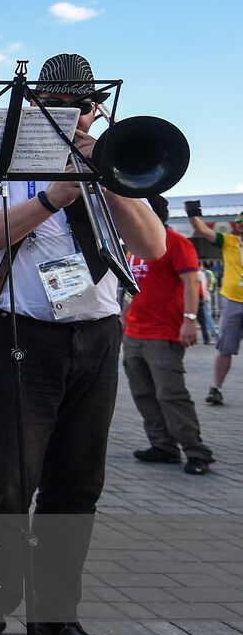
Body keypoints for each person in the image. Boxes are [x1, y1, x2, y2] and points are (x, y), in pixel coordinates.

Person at [0, 53, 165, 635]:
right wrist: (50, 196)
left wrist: (105, 177)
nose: (80, 116)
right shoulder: (3, 157)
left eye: (87, 106)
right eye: (65, 106)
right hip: (26, 336)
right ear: (39, 107)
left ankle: (55, 613)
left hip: (97, 337)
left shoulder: (111, 163)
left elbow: (152, 245)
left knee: (77, 487)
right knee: (9, 485)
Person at [126, 196, 213, 475]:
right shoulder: (133, 247)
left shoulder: (175, 242)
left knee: (170, 394)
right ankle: (162, 445)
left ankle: (195, 450)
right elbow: (132, 286)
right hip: (135, 332)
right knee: (143, 392)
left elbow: (191, 283)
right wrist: (124, 315)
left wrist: (189, 321)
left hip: (164, 332)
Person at [186, 201, 243, 406]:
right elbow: (201, 230)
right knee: (225, 349)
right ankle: (215, 388)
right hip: (233, 301)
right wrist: (193, 212)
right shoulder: (229, 242)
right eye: (240, 224)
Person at [198, 266, 216, 344]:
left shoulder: (199, 273)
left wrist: (203, 296)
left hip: (202, 298)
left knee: (205, 318)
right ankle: (211, 335)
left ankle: (213, 333)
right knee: (205, 318)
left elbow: (203, 286)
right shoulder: (208, 273)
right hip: (205, 297)